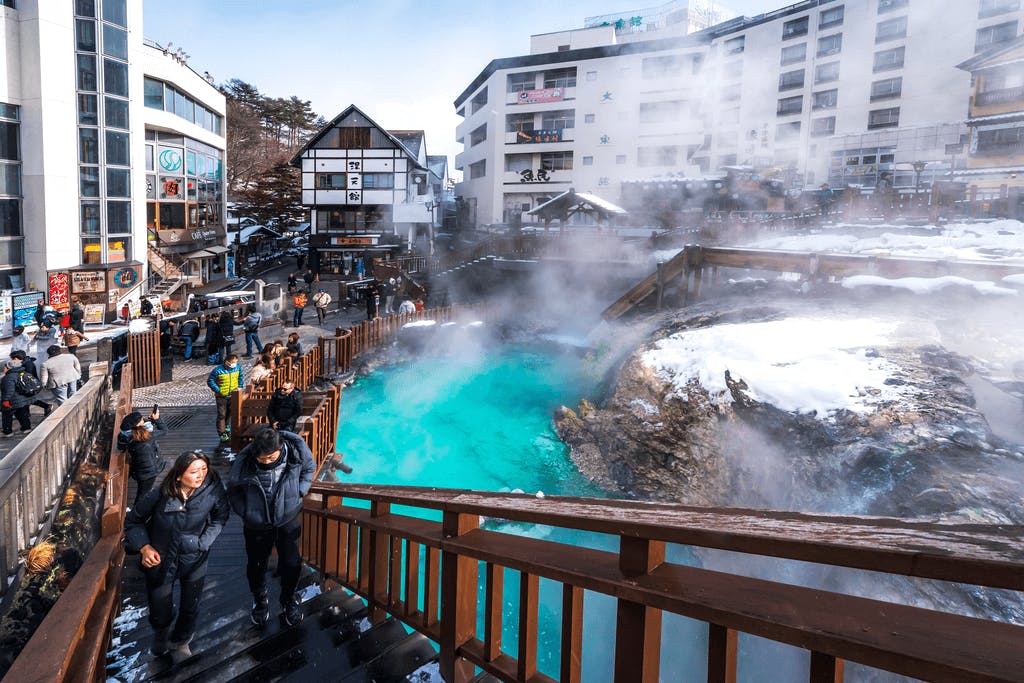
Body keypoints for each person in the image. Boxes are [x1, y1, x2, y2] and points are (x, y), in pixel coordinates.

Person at [124, 451, 229, 661]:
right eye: (194, 471)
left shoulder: (212, 490)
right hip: (161, 560)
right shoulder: (161, 494)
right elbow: (132, 521)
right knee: (159, 608)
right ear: (179, 475)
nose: (200, 475)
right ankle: (161, 635)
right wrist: (144, 547)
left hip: (194, 557)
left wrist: (204, 542)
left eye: (203, 470)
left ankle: (181, 641)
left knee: (191, 606)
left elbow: (220, 516)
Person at [227, 427, 314, 627]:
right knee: (256, 565)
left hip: (287, 518)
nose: (266, 461)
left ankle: (288, 600)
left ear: (281, 448)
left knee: (292, 563)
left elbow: (309, 468)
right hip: (256, 524)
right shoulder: (246, 460)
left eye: (271, 457)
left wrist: (300, 491)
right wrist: (246, 512)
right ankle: (260, 600)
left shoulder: (296, 452)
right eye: (261, 458)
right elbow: (233, 489)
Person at [117, 407, 167, 505]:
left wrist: (151, 420)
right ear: (138, 425)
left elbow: (121, 447)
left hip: (139, 471)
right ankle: (136, 514)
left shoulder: (124, 436)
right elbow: (165, 431)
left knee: (142, 492)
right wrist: (156, 419)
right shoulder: (148, 435)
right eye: (142, 420)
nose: (144, 420)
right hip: (150, 471)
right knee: (143, 495)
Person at [207, 353, 242, 452]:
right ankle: (222, 433)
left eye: (236, 362)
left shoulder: (238, 368)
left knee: (230, 412)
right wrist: (217, 389)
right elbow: (210, 381)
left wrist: (240, 387)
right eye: (232, 362)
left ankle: (226, 427)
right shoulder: (218, 370)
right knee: (221, 414)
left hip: (233, 394)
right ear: (227, 362)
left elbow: (240, 378)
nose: (234, 364)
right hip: (221, 396)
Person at [9, 350, 52, 417]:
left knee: (27, 399)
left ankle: (46, 406)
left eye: (13, 359)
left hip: (31, 385)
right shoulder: (24, 363)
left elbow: (29, 375)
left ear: (17, 358)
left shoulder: (28, 364)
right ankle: (43, 407)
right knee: (27, 400)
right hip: (27, 385)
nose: (11, 360)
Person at [1, 359, 36, 436]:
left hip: (12, 400)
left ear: (9, 368)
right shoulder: (23, 373)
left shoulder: (8, 378)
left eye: (5, 367)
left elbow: (9, 391)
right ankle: (26, 428)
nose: (4, 368)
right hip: (23, 399)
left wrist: (5, 400)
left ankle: (8, 432)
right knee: (22, 413)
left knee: (7, 415)